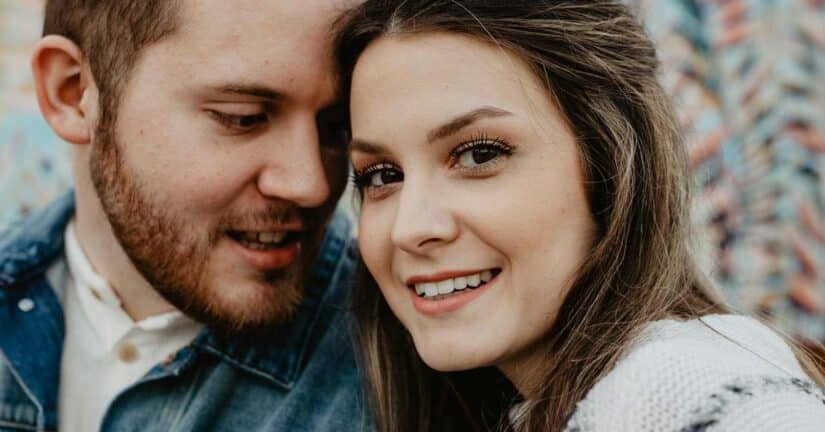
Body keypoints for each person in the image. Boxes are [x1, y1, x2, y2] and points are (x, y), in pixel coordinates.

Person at [335, 1, 825, 430]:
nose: (411, 228)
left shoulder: (686, 387)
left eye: (479, 154)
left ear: (609, 162)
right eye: (382, 175)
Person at [0, 1, 371, 431]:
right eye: (243, 118)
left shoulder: (396, 380)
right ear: (73, 92)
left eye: (336, 126)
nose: (311, 185)